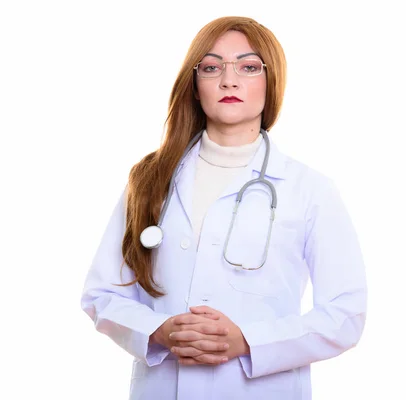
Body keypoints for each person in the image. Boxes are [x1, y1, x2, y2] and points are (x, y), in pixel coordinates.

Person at [80, 15, 367, 400]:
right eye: (212, 67)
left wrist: (248, 341)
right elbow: (102, 295)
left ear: (272, 82)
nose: (228, 80)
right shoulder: (149, 180)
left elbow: (345, 315)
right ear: (195, 86)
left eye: (248, 67)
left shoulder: (310, 190)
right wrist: (159, 332)